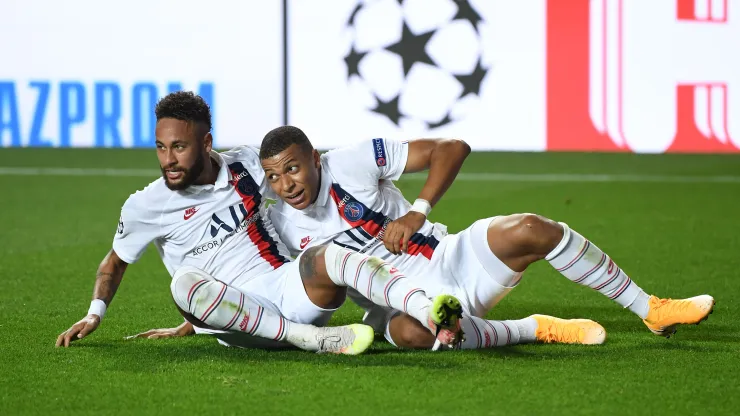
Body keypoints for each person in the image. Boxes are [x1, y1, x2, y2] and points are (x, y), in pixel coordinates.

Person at [55, 92, 466, 354]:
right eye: (161, 147)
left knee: (331, 254)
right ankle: (306, 340)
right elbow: (115, 261)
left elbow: (294, 176)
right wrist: (95, 314)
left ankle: (428, 312)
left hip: (289, 290)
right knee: (181, 284)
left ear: (206, 143)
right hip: (234, 315)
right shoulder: (145, 205)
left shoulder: (249, 164)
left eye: (178, 147)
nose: (168, 160)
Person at [258, 125, 715, 350]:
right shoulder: (283, 227)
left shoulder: (352, 161)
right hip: (400, 305)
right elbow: (268, 290)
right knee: (414, 334)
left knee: (534, 228)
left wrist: (417, 213)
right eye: (274, 178)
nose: (287, 185)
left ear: (315, 158)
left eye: (293, 169)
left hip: (453, 257)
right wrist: (202, 320)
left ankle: (650, 309)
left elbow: (452, 149)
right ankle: (534, 329)